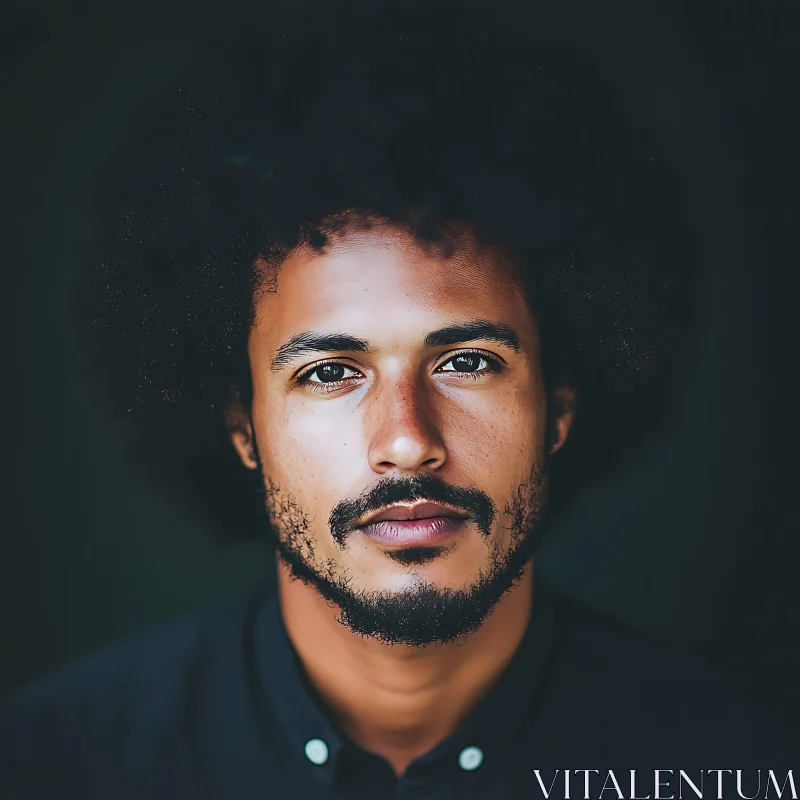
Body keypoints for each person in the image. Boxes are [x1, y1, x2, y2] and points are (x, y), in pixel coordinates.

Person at [1, 1, 794, 798]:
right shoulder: (56, 766)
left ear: (559, 407)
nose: (408, 440)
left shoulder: (740, 762)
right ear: (244, 426)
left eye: (468, 361)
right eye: (328, 372)